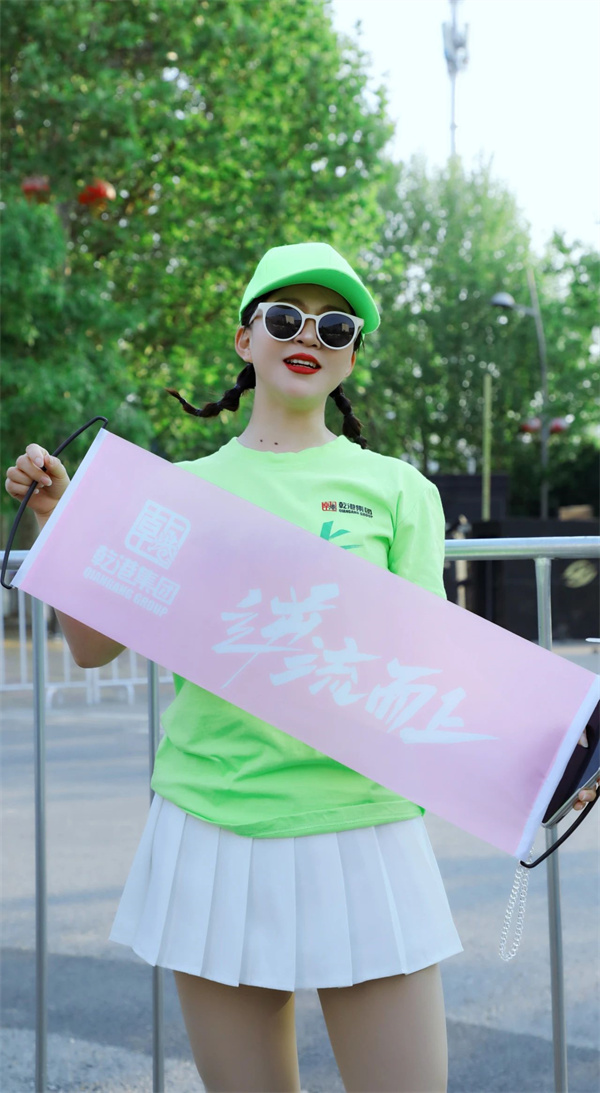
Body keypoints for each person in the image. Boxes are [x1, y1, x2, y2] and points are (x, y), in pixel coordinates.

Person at [5, 242, 597, 1093]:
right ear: (245, 340)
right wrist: (62, 522)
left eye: (335, 325)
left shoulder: (399, 489)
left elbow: (434, 665)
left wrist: (556, 746)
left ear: (352, 355)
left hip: (362, 827)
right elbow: (94, 647)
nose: (308, 334)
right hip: (211, 824)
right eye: (285, 317)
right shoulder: (176, 491)